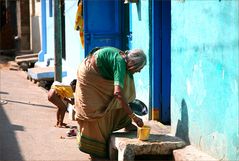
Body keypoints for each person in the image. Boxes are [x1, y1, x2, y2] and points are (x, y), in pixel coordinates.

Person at [74, 46, 147, 158]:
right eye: (139, 68)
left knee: (125, 90)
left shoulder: (123, 59)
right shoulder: (120, 64)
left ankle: (125, 122)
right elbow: (117, 93)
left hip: (101, 74)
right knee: (94, 110)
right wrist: (134, 116)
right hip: (89, 75)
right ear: (132, 63)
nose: (139, 71)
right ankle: (95, 151)